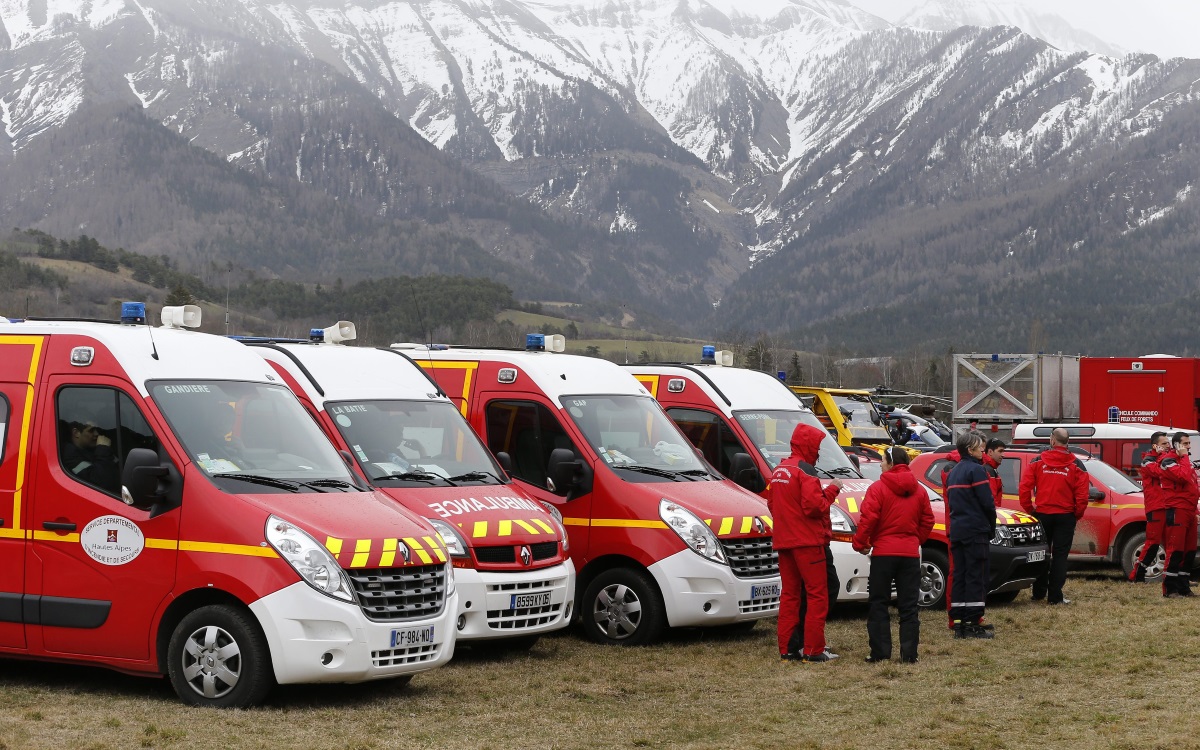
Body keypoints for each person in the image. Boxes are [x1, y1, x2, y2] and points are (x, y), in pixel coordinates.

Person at [768, 423, 842, 663]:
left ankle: (787, 649)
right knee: (817, 594)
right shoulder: (805, 469)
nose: (818, 452)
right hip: (808, 543)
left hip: (784, 541)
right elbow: (815, 507)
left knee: (790, 595)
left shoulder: (780, 470)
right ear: (809, 445)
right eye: (817, 447)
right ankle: (813, 649)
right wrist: (832, 490)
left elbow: (771, 505)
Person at [853, 446, 934, 663]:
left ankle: (880, 653)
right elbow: (928, 520)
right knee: (908, 606)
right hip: (909, 554)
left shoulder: (878, 488)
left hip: (883, 553)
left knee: (879, 601)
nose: (880, 464)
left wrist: (860, 543)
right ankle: (909, 655)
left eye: (882, 460)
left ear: (890, 463)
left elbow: (868, 518)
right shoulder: (920, 490)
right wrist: (915, 539)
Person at [1018, 427, 1089, 605]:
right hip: (1065, 516)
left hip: (1042, 514)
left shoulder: (1037, 461)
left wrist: (1030, 510)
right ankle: (1055, 596)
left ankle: (1039, 592)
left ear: (1052, 440)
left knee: (1042, 554)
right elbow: (1082, 495)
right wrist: (1076, 514)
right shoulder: (1077, 465)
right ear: (1068, 442)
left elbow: (1024, 488)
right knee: (1060, 556)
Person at [944, 430, 996, 638]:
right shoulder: (976, 470)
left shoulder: (954, 472)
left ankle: (959, 622)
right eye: (979, 446)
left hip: (958, 531)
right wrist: (991, 527)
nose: (982, 449)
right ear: (969, 449)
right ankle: (973, 622)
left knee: (960, 576)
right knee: (976, 576)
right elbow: (987, 503)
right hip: (975, 531)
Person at [1158, 432, 1198, 597]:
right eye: (1185, 443)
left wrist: (1195, 511)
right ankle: (1170, 588)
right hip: (1177, 510)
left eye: (1189, 443)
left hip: (1189, 510)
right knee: (1176, 550)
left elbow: (1192, 488)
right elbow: (1182, 476)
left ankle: (1183, 587)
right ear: (1177, 445)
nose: (1188, 447)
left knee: (1189, 551)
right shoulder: (1168, 461)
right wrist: (1184, 458)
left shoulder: (1184, 462)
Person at [1130, 431, 1170, 583]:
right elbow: (1162, 472)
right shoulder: (1148, 461)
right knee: (1153, 542)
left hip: (1168, 505)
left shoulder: (1166, 459)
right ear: (1155, 446)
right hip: (1156, 507)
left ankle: (1172, 576)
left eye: (1168, 443)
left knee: (1171, 543)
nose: (1168, 446)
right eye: (1164, 443)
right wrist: (1162, 457)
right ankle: (1138, 574)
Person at [61, 420, 120, 493]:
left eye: (96, 429)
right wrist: (103, 449)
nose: (96, 433)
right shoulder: (70, 456)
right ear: (76, 433)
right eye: (91, 430)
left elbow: (117, 471)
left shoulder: (91, 448)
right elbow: (101, 481)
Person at [983, 438, 1006, 502]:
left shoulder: (990, 469)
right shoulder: (988, 470)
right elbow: (991, 499)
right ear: (990, 452)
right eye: (1000, 451)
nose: (1003, 455)